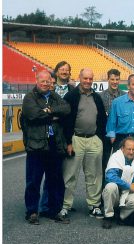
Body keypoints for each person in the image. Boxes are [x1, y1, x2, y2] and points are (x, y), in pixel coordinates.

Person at [21, 70, 71, 224]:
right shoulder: (30, 97)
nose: (45, 84)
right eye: (42, 81)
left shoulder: (55, 96)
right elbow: (33, 114)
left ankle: (54, 210)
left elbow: (66, 109)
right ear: (36, 80)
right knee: (33, 181)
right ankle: (32, 212)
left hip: (54, 144)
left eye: (48, 81)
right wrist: (53, 115)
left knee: (55, 180)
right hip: (36, 144)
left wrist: (49, 111)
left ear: (51, 82)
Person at [59, 68, 107, 222]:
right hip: (76, 139)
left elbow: (101, 120)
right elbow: (65, 120)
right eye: (85, 78)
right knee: (70, 175)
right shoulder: (71, 96)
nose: (87, 81)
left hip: (93, 140)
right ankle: (65, 206)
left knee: (94, 175)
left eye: (90, 79)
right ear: (79, 78)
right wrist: (68, 141)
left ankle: (94, 205)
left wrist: (99, 139)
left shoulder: (97, 97)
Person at [102, 137, 134, 229]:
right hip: (115, 193)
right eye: (129, 149)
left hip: (128, 193)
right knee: (110, 186)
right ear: (122, 148)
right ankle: (108, 216)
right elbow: (110, 177)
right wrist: (129, 186)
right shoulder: (115, 157)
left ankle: (120, 216)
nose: (131, 152)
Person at [100, 69, 126, 179]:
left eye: (117, 79)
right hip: (105, 134)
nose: (115, 82)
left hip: (120, 134)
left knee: (119, 163)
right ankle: (103, 191)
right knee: (104, 162)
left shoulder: (124, 96)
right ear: (108, 79)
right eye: (112, 79)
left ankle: (117, 187)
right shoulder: (101, 97)